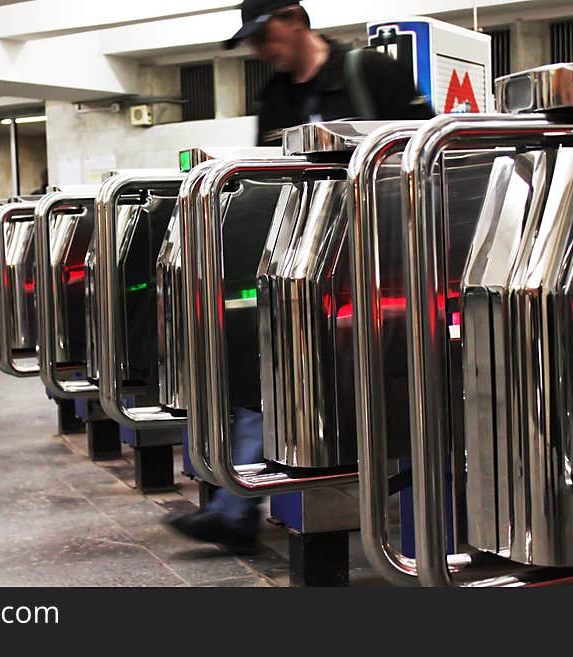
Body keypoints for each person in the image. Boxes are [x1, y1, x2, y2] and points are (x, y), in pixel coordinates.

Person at [162, 0, 434, 553]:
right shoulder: (276, 97)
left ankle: (407, 501)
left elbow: (426, 151)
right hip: (303, 259)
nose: (263, 49)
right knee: (261, 366)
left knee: (398, 379)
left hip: (381, 259)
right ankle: (236, 506)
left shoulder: (370, 71)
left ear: (295, 18)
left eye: (265, 35)